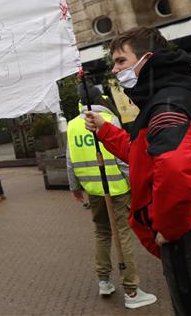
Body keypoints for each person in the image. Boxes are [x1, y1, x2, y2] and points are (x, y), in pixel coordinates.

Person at [83, 27, 191, 316]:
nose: (115, 70)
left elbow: (175, 168)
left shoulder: (166, 103)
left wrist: (169, 227)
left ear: (146, 59)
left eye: (121, 61)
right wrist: (105, 131)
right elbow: (143, 157)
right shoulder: (162, 100)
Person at [67, 84, 157, 309]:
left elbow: (70, 160)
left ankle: (104, 281)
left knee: (102, 232)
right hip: (116, 187)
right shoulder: (108, 119)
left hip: (93, 189)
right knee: (123, 234)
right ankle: (131, 291)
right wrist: (134, 181)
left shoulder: (72, 125)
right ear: (101, 98)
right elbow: (121, 155)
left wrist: (75, 187)